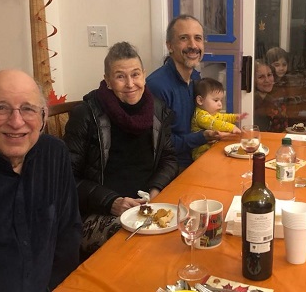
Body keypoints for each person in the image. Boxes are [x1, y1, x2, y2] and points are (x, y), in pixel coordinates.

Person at [0, 69, 81, 291]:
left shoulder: (55, 154)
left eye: (28, 109)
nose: (16, 122)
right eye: (1, 108)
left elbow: (68, 232)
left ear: (43, 117)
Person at [64, 41, 178, 257]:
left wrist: (155, 190)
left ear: (144, 75)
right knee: (140, 249)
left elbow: (169, 158)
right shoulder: (86, 115)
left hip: (147, 206)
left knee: (184, 233)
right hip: (99, 212)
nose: (130, 84)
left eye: (135, 75)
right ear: (107, 81)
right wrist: (111, 202)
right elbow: (66, 177)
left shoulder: (158, 109)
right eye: (120, 76)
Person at [146, 14, 224, 171]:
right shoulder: (157, 86)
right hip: (172, 168)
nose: (193, 45)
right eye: (184, 38)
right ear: (170, 45)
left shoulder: (196, 77)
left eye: (198, 38)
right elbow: (160, 144)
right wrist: (202, 137)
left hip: (199, 157)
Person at [191, 77, 247, 160]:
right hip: (201, 154)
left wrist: (235, 117)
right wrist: (232, 128)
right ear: (200, 100)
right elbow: (215, 123)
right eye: (216, 100)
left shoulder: (211, 113)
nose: (220, 104)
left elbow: (222, 117)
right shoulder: (200, 115)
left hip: (212, 148)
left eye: (221, 100)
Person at [254, 59, 288, 132]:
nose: (267, 80)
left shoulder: (272, 98)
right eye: (261, 77)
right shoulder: (252, 102)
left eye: (269, 75)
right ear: (253, 80)